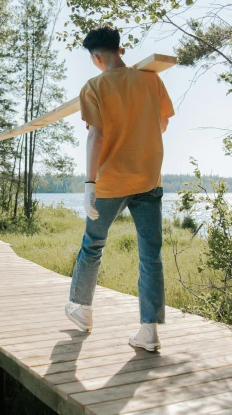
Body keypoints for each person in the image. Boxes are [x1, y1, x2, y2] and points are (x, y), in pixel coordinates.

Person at [65, 23, 175, 352]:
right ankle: (149, 331)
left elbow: (95, 135)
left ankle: (82, 310)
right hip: (148, 177)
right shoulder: (152, 80)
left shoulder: (94, 86)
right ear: (121, 49)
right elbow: (164, 122)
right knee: (150, 257)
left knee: (93, 245)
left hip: (111, 181)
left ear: (97, 57)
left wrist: (88, 184)